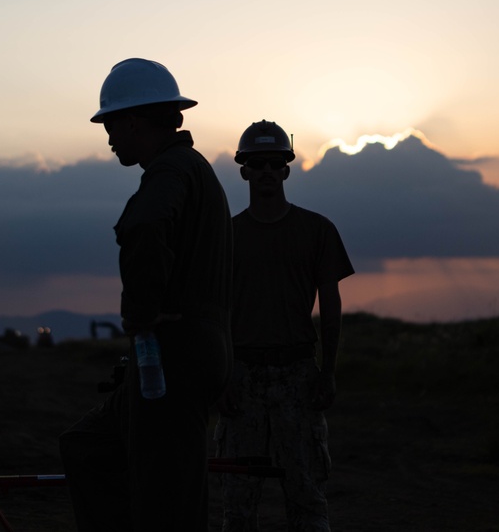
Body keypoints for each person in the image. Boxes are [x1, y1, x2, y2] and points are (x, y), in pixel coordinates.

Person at [59, 58, 233, 531]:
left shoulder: (171, 172)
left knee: (168, 499)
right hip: (187, 355)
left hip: (173, 360)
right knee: (88, 445)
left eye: (111, 124)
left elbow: (146, 223)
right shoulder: (193, 172)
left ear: (134, 120)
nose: (109, 137)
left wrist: (142, 314)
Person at [215, 120, 355, 532]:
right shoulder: (227, 235)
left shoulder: (317, 231)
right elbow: (215, 311)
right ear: (243, 170)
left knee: (307, 497)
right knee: (238, 503)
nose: (265, 171)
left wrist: (327, 372)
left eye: (274, 163)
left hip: (298, 376)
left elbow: (331, 307)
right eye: (256, 163)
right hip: (242, 377)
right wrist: (221, 378)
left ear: (287, 169)